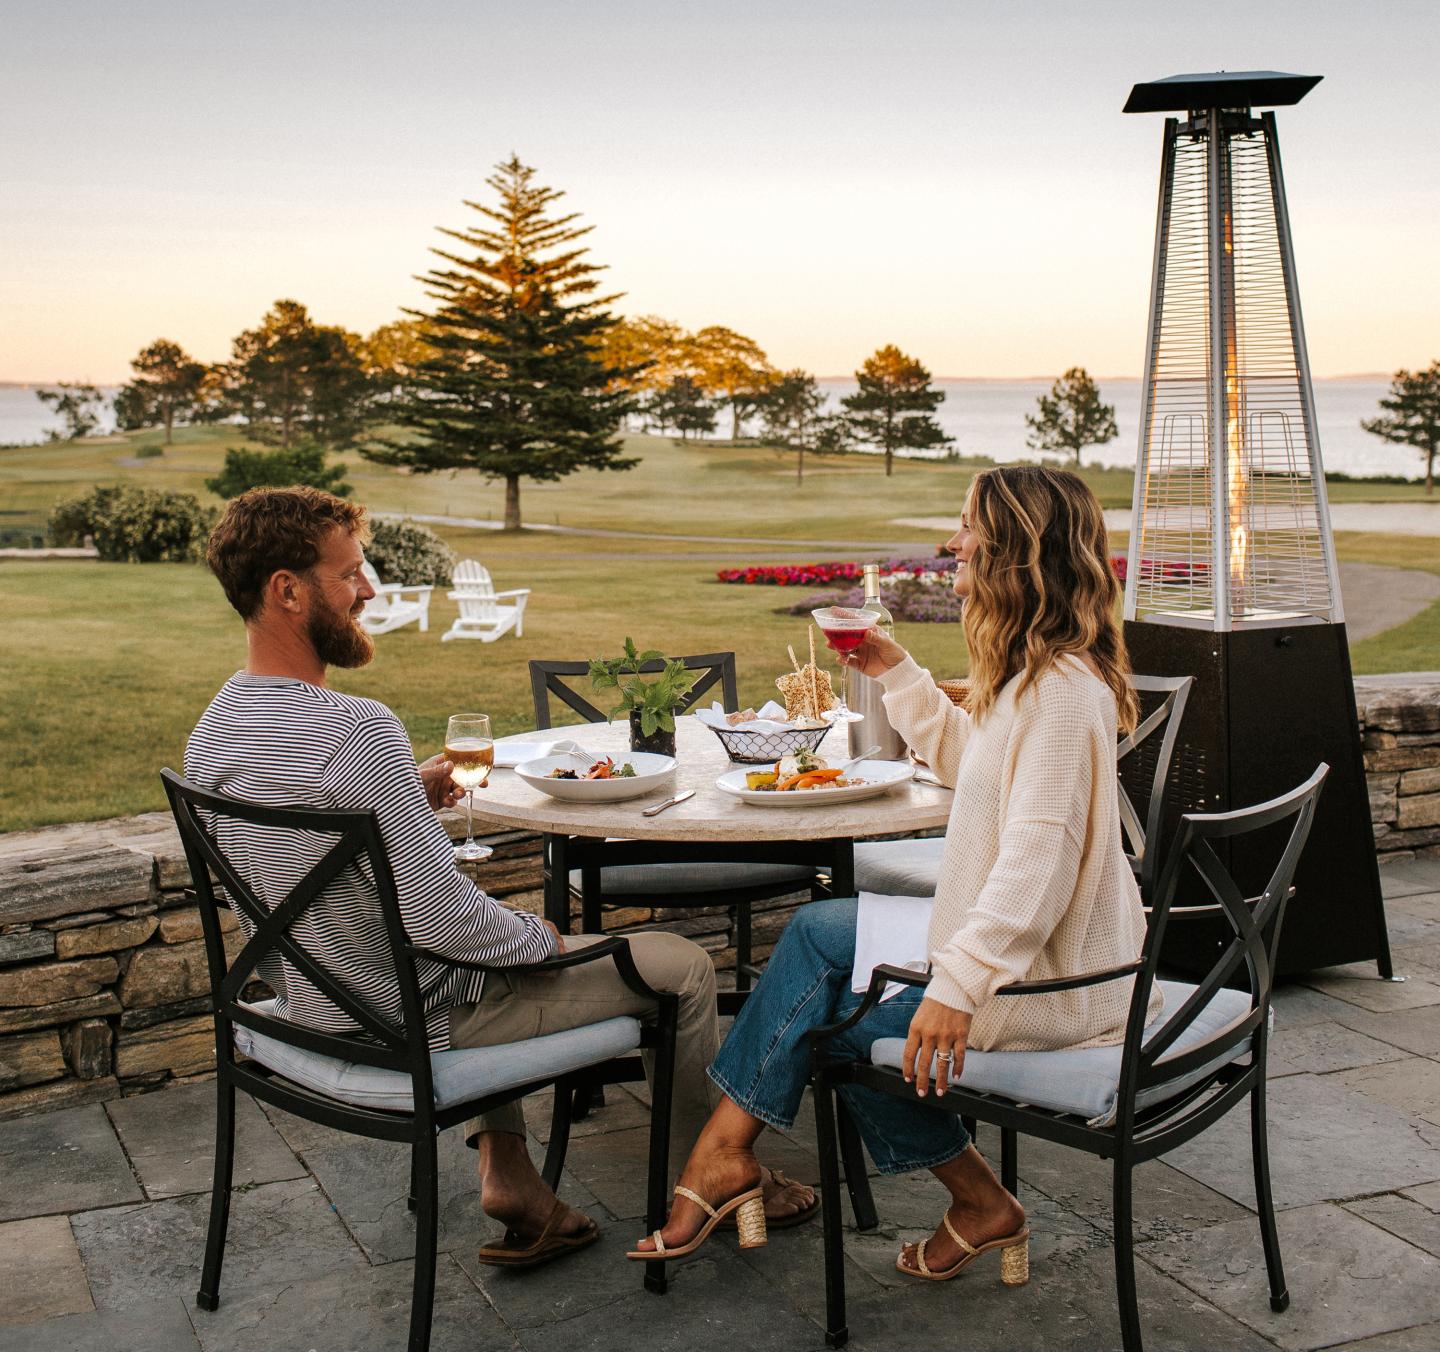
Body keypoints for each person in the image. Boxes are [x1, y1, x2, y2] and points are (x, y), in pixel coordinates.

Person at [186, 486, 812, 1269]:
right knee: (677, 966)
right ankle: (708, 1177)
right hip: (411, 1018)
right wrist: (536, 939)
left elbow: (280, 868)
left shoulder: (214, 731)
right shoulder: (357, 732)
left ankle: (511, 1178)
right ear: (287, 591)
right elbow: (443, 924)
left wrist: (400, 792)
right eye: (349, 575)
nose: (369, 591)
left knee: (493, 943)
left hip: (312, 1009)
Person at [630, 465, 1162, 1283]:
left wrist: (958, 986)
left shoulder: (1058, 694)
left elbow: (1039, 864)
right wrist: (898, 672)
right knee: (817, 931)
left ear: (1016, 550)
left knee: (839, 1031)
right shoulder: (1035, 672)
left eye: (968, 527)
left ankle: (973, 1201)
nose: (953, 543)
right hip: (1038, 951)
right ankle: (725, 1155)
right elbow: (973, 766)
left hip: (1053, 980)